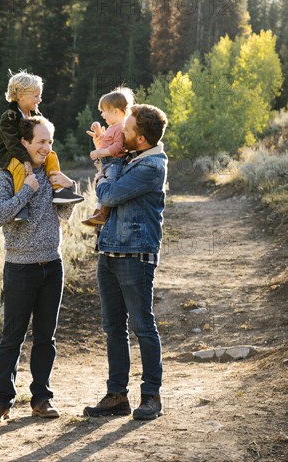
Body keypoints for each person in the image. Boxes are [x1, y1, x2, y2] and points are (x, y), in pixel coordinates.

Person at [0, 116, 77, 422]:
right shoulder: (5, 178)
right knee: (12, 337)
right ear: (25, 142)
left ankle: (42, 399)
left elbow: (64, 215)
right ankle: (1, 402)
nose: (46, 147)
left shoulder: (52, 173)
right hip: (20, 268)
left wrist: (70, 188)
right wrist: (26, 190)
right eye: (41, 141)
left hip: (52, 265)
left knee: (46, 338)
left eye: (50, 142)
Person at [83, 104, 168, 421]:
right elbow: (108, 188)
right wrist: (106, 154)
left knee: (143, 326)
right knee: (113, 328)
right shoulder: (131, 157)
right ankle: (117, 395)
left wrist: (104, 164)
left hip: (135, 255)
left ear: (142, 139)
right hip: (109, 252)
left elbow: (106, 196)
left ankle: (151, 397)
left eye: (127, 130)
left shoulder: (151, 166)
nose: (122, 132)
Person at [0, 70, 83, 222]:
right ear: (20, 95)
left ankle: (58, 189)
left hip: (23, 154)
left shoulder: (33, 114)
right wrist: (26, 160)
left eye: (40, 95)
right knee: (20, 168)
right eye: (35, 96)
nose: (39, 100)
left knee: (51, 155)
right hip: (7, 155)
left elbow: (64, 216)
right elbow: (12, 142)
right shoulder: (10, 116)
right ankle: (21, 208)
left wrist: (70, 186)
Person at [82, 88, 134, 226]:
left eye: (103, 111)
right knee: (101, 184)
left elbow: (117, 148)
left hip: (114, 163)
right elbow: (105, 145)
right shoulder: (112, 127)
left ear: (116, 111)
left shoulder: (121, 128)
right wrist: (99, 136)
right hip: (107, 163)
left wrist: (99, 153)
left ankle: (103, 213)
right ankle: (97, 213)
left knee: (109, 186)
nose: (102, 115)